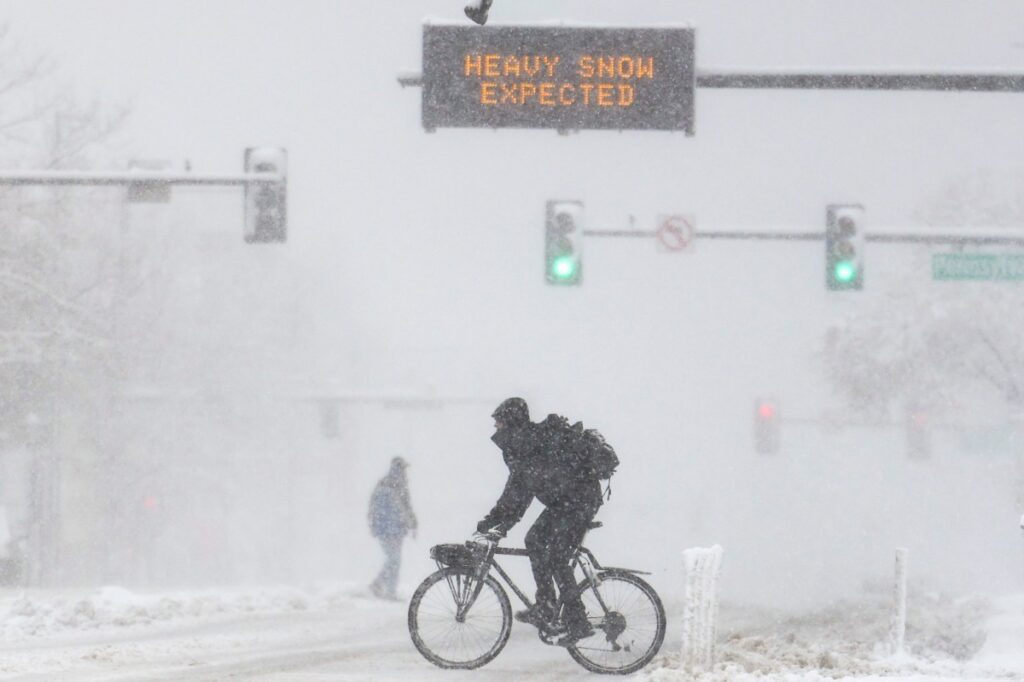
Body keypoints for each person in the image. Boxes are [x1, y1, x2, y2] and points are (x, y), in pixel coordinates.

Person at [475, 398, 604, 645]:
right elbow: (519, 490)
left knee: (557, 555)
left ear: (510, 422)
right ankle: (545, 604)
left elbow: (520, 492)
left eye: (499, 422)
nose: (496, 428)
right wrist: (497, 521)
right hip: (567, 501)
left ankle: (578, 622)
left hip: (578, 501)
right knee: (534, 539)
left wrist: (497, 522)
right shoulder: (524, 443)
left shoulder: (528, 445)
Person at [368, 457, 417, 600]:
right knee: (394, 559)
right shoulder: (389, 485)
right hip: (388, 529)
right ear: (398, 468)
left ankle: (383, 587)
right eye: (403, 468)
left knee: (394, 560)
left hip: (396, 529)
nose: (405, 472)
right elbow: (380, 509)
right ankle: (385, 588)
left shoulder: (398, 485)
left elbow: (406, 506)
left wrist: (413, 523)